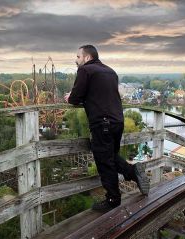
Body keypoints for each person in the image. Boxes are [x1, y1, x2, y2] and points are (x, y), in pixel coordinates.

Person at [64, 45, 150, 212]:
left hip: (102, 123)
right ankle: (133, 171)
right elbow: (100, 94)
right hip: (118, 121)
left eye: (78, 57)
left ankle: (113, 199)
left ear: (87, 58)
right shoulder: (111, 72)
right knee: (110, 156)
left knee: (104, 162)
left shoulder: (85, 70)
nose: (76, 60)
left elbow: (76, 97)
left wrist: (69, 97)